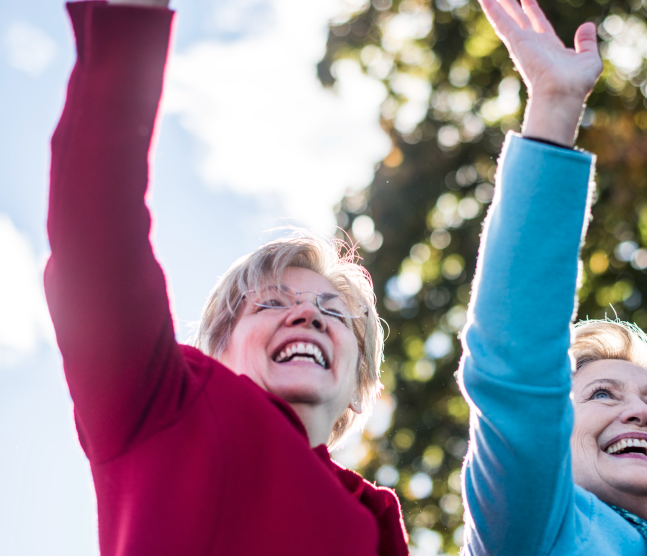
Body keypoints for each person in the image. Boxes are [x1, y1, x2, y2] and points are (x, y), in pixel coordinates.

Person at [44, 1, 408, 554]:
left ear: (360, 389)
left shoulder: (371, 520)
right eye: (271, 304)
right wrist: (131, 24)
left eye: (334, 313)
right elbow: (94, 231)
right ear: (215, 350)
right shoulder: (157, 403)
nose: (308, 314)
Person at [456, 0, 647, 554]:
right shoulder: (537, 530)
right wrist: (554, 108)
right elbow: (516, 363)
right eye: (602, 392)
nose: (640, 413)